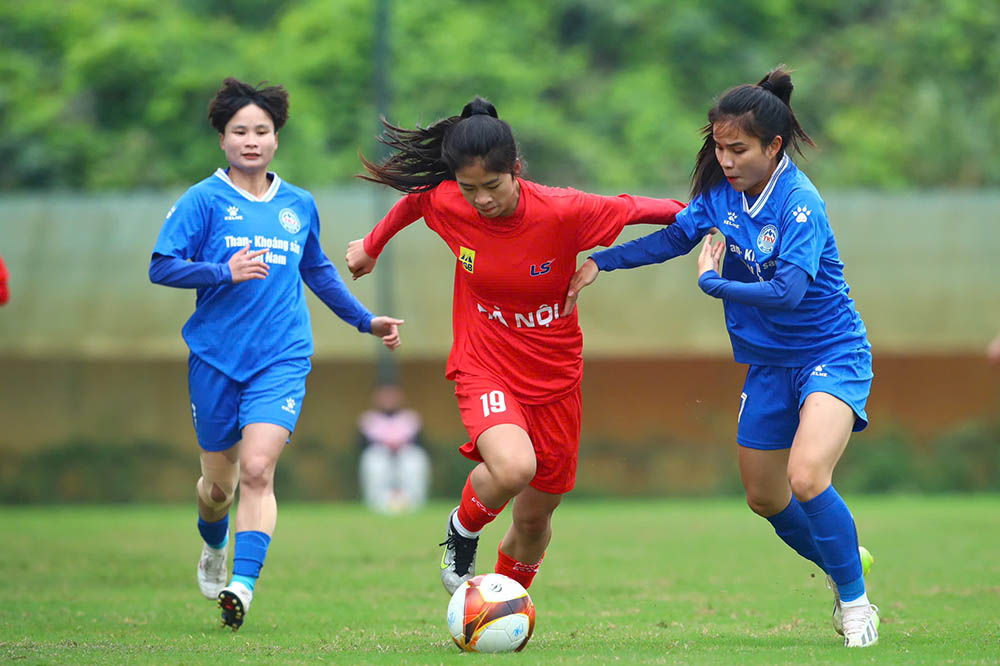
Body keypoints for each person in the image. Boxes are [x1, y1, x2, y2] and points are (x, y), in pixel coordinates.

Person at [565, 67, 880, 648]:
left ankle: (856, 602)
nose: (726, 159)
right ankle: (844, 559)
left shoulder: (800, 204)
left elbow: (787, 293)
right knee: (764, 496)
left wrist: (715, 285)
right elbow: (674, 239)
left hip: (830, 353)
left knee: (807, 476)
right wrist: (601, 262)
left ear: (773, 146)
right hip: (767, 365)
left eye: (738, 149)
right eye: (719, 146)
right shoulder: (721, 197)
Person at [347, 96, 685, 596]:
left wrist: (718, 221)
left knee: (533, 520)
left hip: (555, 379)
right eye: (469, 188)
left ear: (517, 170)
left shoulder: (563, 211)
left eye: (492, 186)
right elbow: (416, 202)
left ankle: (501, 605)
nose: (481, 199)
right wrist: (371, 246)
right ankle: (462, 532)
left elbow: (659, 211)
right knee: (513, 467)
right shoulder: (450, 202)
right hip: (485, 365)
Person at [149, 77, 404, 631]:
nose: (250, 140)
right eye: (239, 131)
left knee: (259, 469)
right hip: (215, 358)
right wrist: (223, 270)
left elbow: (317, 272)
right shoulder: (204, 200)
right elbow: (161, 264)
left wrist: (366, 320)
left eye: (261, 131)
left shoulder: (298, 204)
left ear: (275, 139)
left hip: (281, 358)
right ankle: (214, 546)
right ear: (222, 139)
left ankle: (242, 586)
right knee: (218, 488)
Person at [357, 383, 430, 513]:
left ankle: (413, 501)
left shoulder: (410, 418)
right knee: (374, 459)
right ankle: (376, 502)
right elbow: (361, 446)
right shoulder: (369, 419)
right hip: (381, 459)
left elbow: (421, 443)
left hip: (404, 458)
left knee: (414, 458)